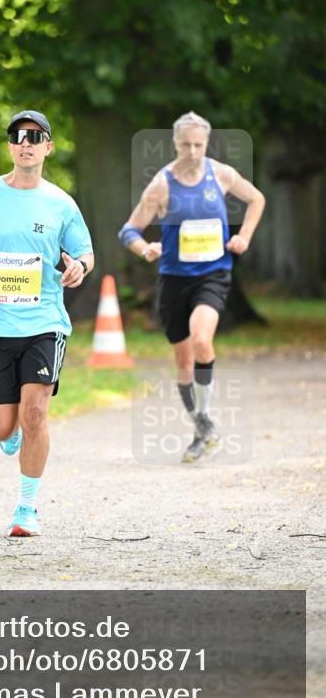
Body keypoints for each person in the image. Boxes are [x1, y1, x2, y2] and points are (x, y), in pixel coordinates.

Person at [0, 110, 94, 536]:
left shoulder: (60, 203)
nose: (26, 142)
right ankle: (10, 436)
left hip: (45, 323)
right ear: (10, 146)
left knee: (35, 415)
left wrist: (79, 269)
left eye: (35, 136)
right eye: (18, 136)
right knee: (3, 426)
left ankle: (26, 510)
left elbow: (84, 252)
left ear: (48, 147)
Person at [118, 111, 265, 462]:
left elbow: (256, 199)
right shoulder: (162, 184)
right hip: (173, 280)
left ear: (207, 143)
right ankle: (201, 426)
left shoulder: (222, 174)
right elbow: (129, 230)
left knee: (202, 340)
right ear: (175, 144)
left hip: (213, 275)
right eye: (186, 144)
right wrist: (146, 248)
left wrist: (244, 236)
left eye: (199, 144)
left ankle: (206, 422)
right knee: (183, 362)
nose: (193, 151)